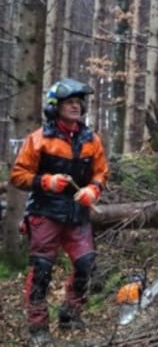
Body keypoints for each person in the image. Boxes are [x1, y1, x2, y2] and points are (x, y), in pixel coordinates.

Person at [10, 78, 109, 345]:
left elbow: (100, 172)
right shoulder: (39, 139)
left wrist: (93, 190)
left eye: (78, 102)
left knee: (86, 264)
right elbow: (18, 175)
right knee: (42, 269)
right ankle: (38, 326)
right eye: (69, 103)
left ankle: (70, 313)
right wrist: (47, 181)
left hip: (77, 213)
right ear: (56, 107)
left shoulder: (91, 139)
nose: (76, 107)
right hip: (45, 212)